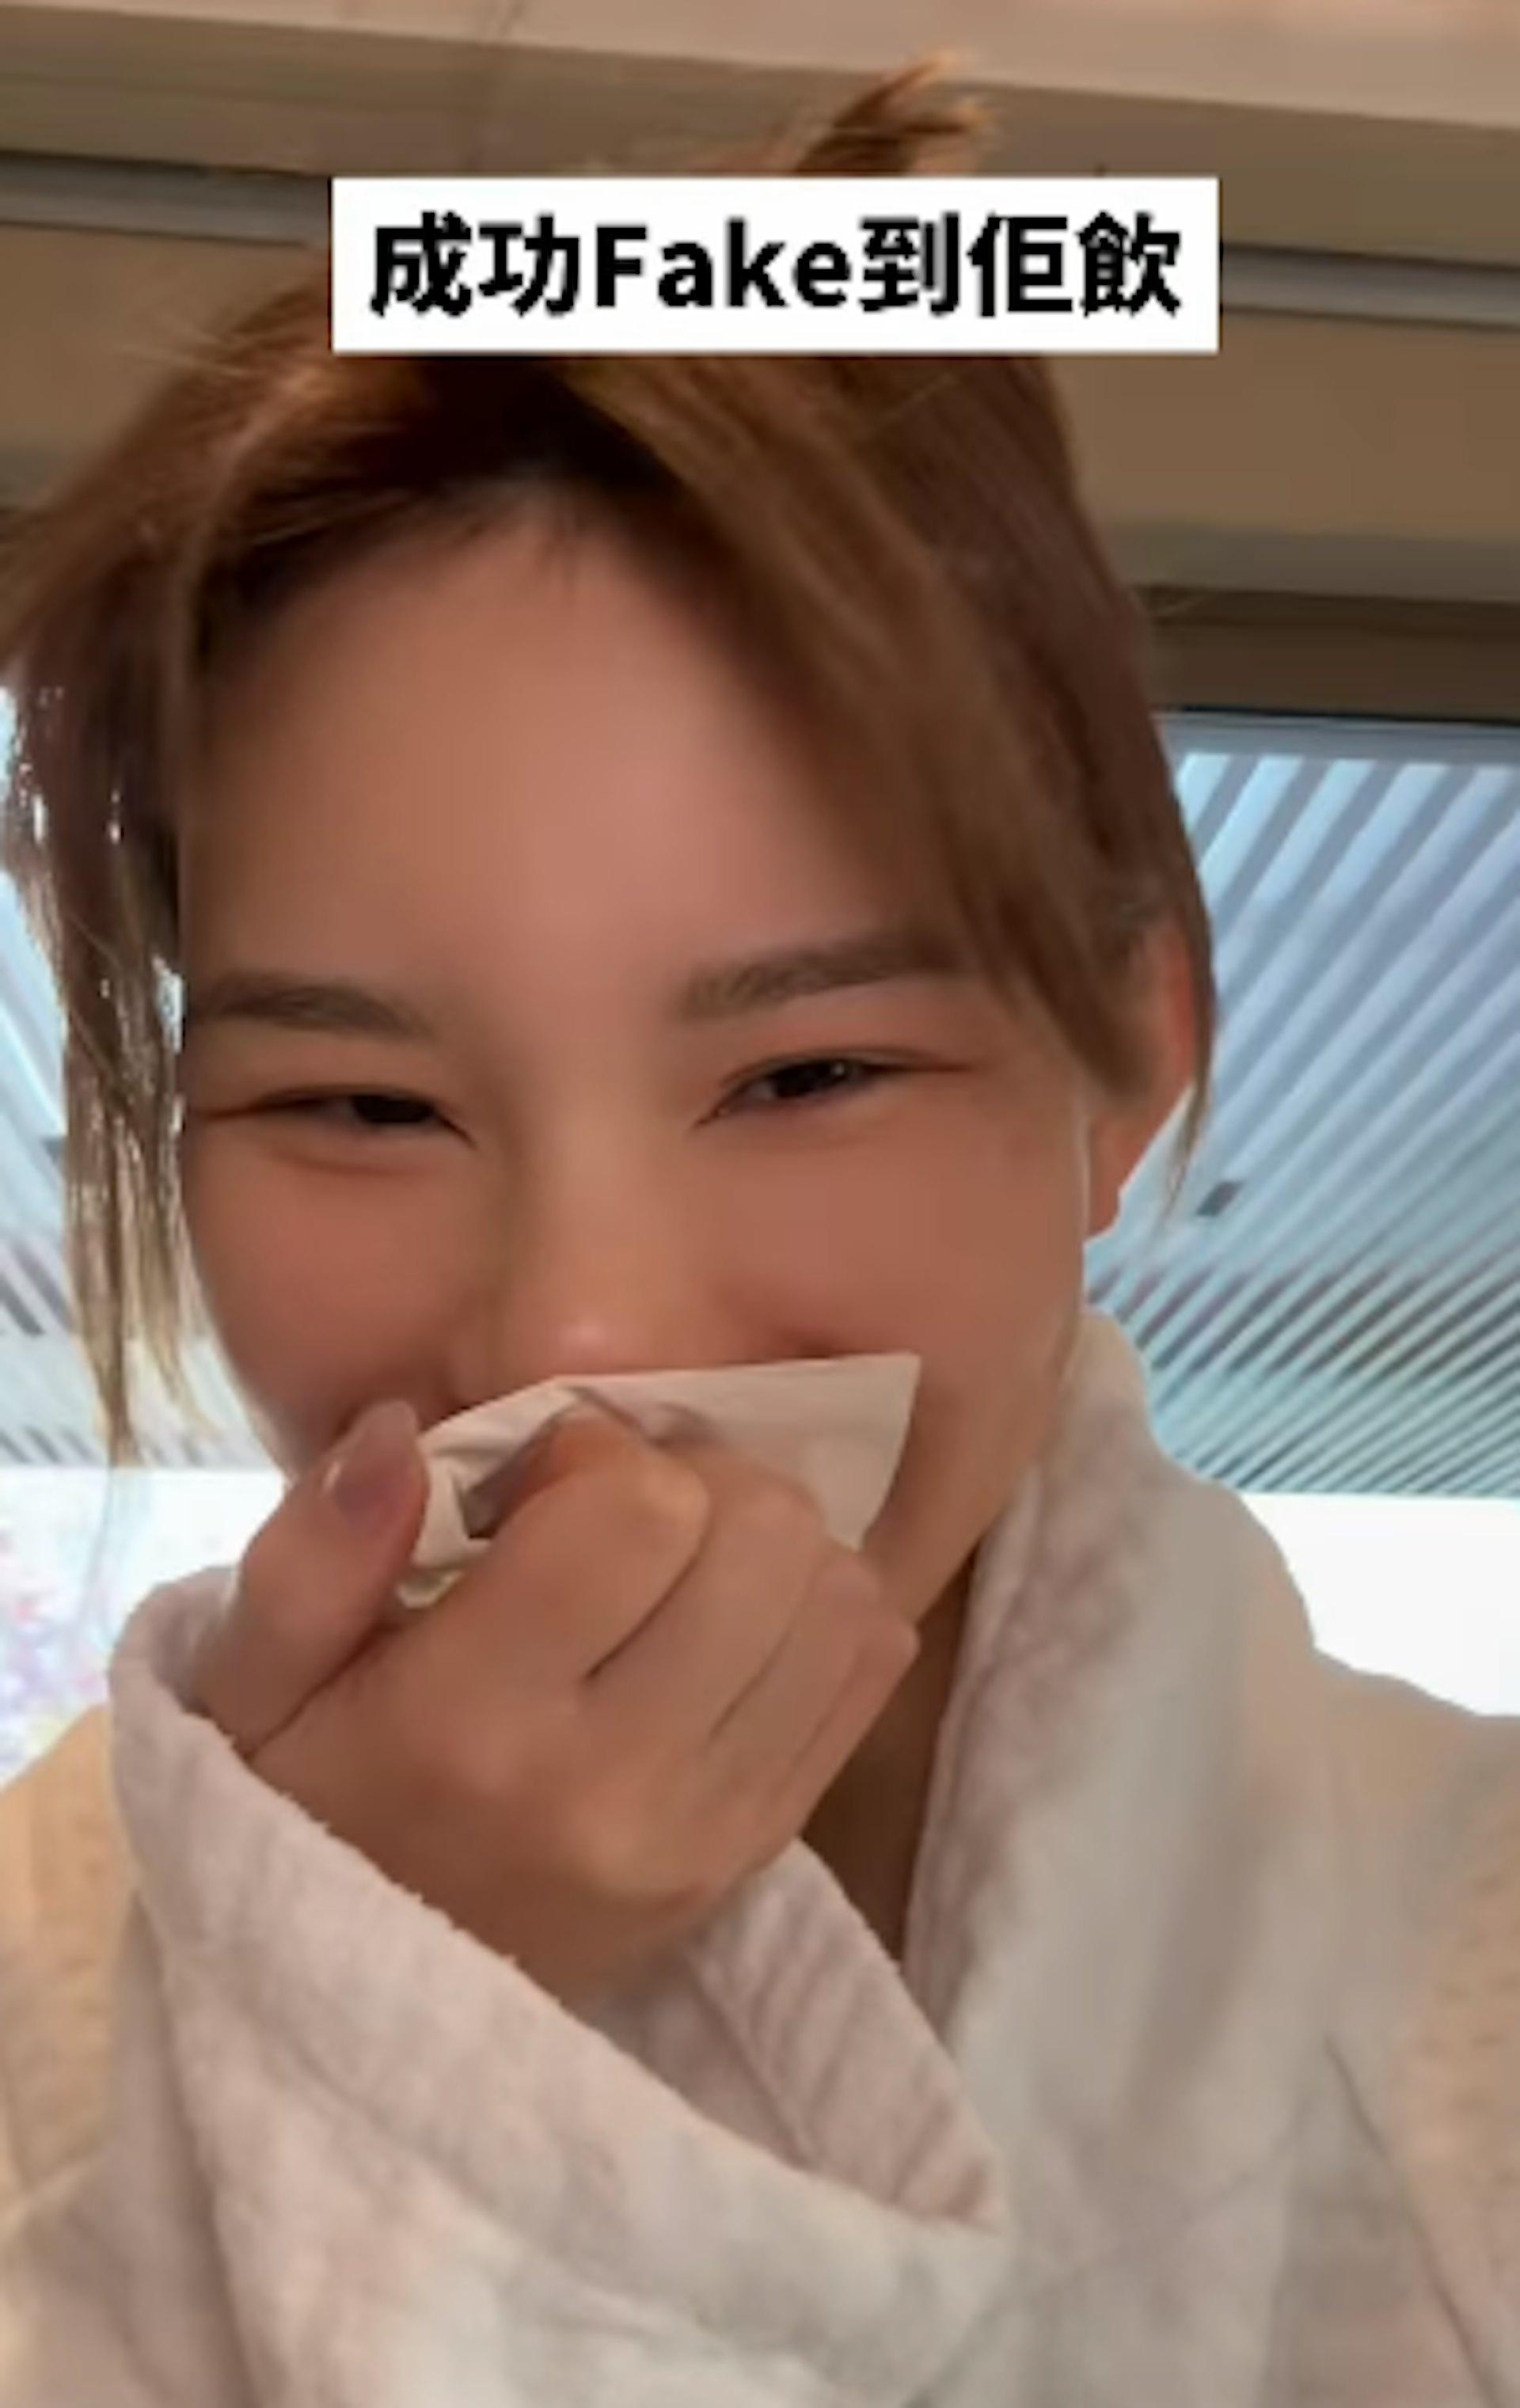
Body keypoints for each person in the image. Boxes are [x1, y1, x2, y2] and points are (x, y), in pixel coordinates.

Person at [1, 59, 1517, 2408]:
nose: (586, 1327)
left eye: (809, 1075)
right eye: (361, 1104)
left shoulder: (1467, 1987)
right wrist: (385, 2030)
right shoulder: (35, 1976)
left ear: (1132, 1062)